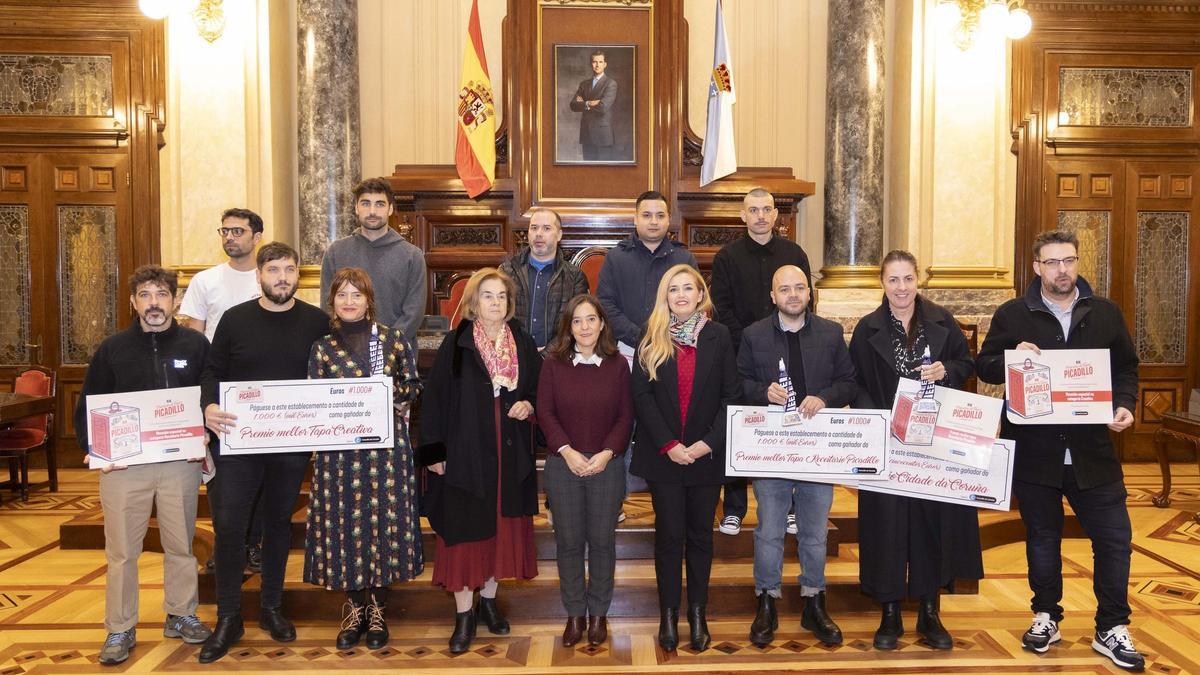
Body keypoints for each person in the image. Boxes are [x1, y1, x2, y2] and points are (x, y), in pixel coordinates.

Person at [976, 230, 1143, 672]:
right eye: (1052, 263)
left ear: (1077, 262)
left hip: (1093, 454)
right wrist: (1013, 355)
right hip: (1036, 453)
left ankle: (1112, 626)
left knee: (1114, 541)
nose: (1062, 270)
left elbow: (1126, 366)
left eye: (1068, 261)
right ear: (1037, 267)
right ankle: (1045, 615)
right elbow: (986, 364)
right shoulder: (1013, 313)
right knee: (1042, 539)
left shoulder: (1104, 313)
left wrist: (1124, 405)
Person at [197, 242, 332, 664]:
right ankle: (229, 617)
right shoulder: (235, 320)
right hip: (238, 442)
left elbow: (333, 374)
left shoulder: (316, 322)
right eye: (273, 270)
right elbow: (213, 372)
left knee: (277, 525)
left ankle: (272, 607)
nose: (282, 278)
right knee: (231, 526)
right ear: (259, 275)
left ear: (298, 276)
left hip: (290, 445)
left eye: (289, 270)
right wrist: (209, 407)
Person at [76, 265, 211, 665]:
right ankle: (119, 628)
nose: (155, 302)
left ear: (175, 300)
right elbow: (88, 404)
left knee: (181, 545)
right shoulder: (112, 348)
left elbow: (211, 397)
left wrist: (204, 436)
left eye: (162, 294)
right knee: (121, 552)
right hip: (123, 468)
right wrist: (94, 448)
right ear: (133, 302)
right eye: (146, 295)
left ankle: (182, 613)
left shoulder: (196, 345)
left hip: (179, 464)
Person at [848, 250, 982, 651]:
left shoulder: (943, 322)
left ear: (918, 279)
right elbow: (854, 383)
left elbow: (967, 365)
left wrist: (949, 371)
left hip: (935, 441)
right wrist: (881, 422)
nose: (902, 288)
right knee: (886, 526)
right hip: (887, 442)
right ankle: (889, 613)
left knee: (931, 523)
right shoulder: (866, 328)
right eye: (893, 280)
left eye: (908, 279)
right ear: (883, 283)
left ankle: (929, 611)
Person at [417, 268, 541, 654]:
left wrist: (529, 402)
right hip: (466, 453)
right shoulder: (455, 344)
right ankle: (464, 617)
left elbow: (538, 388)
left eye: (501, 296)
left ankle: (489, 603)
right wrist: (434, 454)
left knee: (502, 530)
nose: (495, 303)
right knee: (466, 533)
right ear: (473, 302)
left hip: (509, 453)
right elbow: (434, 400)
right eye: (487, 295)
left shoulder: (521, 339)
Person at [304, 267, 424, 651]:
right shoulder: (322, 347)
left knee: (381, 529)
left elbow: (413, 385)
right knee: (344, 530)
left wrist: (386, 393)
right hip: (338, 456)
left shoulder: (391, 340)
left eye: (357, 294)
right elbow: (313, 399)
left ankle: (377, 612)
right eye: (342, 295)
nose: (350, 301)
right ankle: (354, 610)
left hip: (385, 453)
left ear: (369, 300)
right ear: (332, 302)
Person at [739, 265, 856, 647]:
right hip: (770, 450)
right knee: (769, 531)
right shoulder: (753, 335)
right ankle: (767, 601)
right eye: (784, 289)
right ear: (772, 296)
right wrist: (761, 392)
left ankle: (814, 601)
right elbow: (737, 382)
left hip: (817, 451)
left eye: (799, 288)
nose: (792, 294)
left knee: (814, 534)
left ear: (809, 293)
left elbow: (849, 382)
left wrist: (825, 398)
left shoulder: (831, 333)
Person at [630, 264, 740, 653]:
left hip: (706, 455)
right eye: (673, 289)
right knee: (669, 537)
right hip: (665, 458)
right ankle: (667, 615)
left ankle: (697, 614)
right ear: (666, 296)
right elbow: (641, 397)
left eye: (687, 288)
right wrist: (668, 444)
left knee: (700, 539)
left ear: (699, 294)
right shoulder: (651, 336)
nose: (680, 295)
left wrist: (708, 443)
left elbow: (731, 395)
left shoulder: (719, 336)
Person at [710, 187, 813, 537]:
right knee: (740, 429)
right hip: (743, 353)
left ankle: (790, 508)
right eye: (753, 210)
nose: (760, 216)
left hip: (790, 348)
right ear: (743, 215)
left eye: (766, 209)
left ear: (775, 215)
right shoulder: (727, 256)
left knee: (790, 430)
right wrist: (752, 342)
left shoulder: (794, 253)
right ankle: (735, 508)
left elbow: (803, 302)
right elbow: (722, 308)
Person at [537, 295, 633, 647]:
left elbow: (626, 416)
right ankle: (575, 614)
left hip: (607, 466)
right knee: (569, 544)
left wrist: (608, 452)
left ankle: (599, 616)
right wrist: (567, 450)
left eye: (591, 319)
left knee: (603, 542)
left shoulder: (618, 364)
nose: (584, 327)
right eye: (577, 321)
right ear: (568, 327)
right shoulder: (553, 365)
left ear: (602, 323)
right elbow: (545, 413)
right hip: (564, 465)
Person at [177, 207, 266, 574]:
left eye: (238, 231)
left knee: (261, 472)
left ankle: (255, 544)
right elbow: (192, 338)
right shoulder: (205, 281)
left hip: (260, 391)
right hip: (217, 389)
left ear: (256, 237)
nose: (230, 237)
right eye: (225, 231)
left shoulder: (267, 277)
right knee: (221, 476)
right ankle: (226, 546)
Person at [597, 190, 698, 510]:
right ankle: (615, 503)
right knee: (622, 425)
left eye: (660, 215)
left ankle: (665, 503)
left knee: (664, 422)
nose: (653, 221)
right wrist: (642, 336)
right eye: (647, 215)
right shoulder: (617, 257)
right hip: (627, 351)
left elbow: (695, 304)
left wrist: (663, 337)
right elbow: (605, 304)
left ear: (669, 219)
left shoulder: (684, 258)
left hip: (673, 354)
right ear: (635, 218)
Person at [320, 177, 427, 343]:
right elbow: (328, 307)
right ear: (356, 208)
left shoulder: (412, 256)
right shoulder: (335, 252)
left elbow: (414, 313)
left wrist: (384, 345)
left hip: (395, 355)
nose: (372, 211)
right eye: (365, 203)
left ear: (390, 209)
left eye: (380, 204)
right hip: (346, 352)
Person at [499, 207, 589, 350]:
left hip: (556, 359)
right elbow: (497, 318)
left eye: (546, 228)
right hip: (513, 357)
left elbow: (574, 325)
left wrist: (545, 356)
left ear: (559, 235)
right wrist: (521, 354)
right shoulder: (507, 271)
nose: (538, 234)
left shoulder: (575, 277)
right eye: (534, 228)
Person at [569, 49, 618, 161]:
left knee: (603, 172)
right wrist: (590, 103)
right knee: (587, 171)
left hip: (602, 135)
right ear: (591, 64)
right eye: (594, 62)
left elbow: (603, 107)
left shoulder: (610, 83)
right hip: (586, 134)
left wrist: (584, 103)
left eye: (600, 62)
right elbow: (573, 105)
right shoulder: (584, 84)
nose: (597, 65)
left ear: (605, 64)